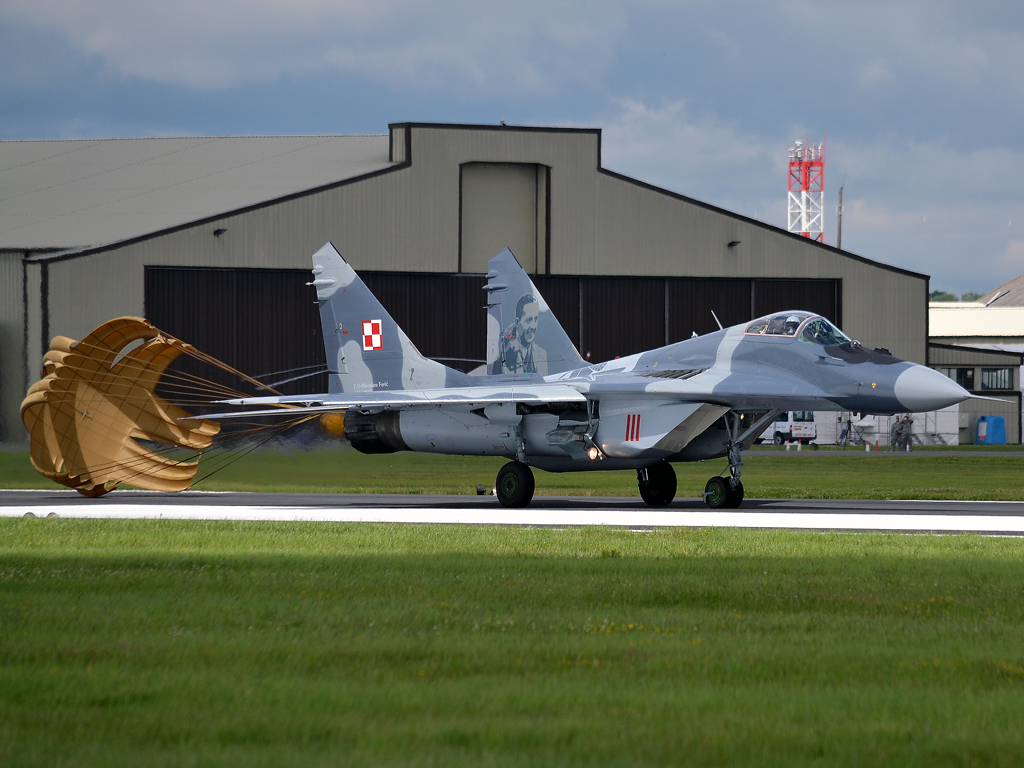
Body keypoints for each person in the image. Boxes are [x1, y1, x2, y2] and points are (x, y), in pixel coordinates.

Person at [491, 293, 548, 375]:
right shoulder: (505, 357)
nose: (533, 326)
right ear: (517, 322)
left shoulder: (541, 354)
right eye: (528, 320)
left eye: (536, 319)